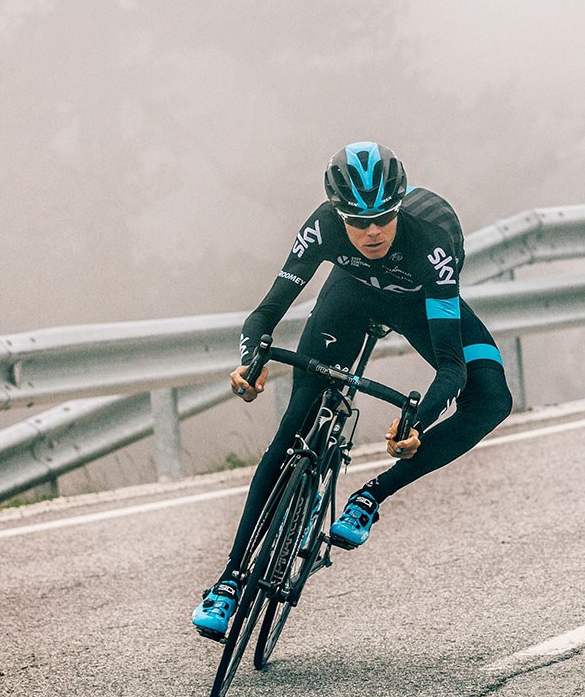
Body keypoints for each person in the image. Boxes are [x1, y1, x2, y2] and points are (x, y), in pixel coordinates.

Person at [191, 142, 512, 638]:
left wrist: (417, 423)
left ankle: (369, 497)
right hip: (350, 300)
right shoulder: (321, 226)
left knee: (492, 398)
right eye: (356, 221)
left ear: (399, 206)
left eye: (383, 217)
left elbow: (452, 368)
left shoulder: (432, 245)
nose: (371, 231)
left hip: (418, 304)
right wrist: (251, 362)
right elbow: (264, 314)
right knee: (293, 428)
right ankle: (230, 580)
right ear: (338, 214)